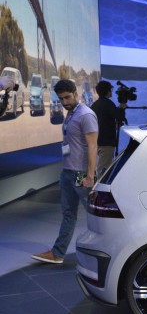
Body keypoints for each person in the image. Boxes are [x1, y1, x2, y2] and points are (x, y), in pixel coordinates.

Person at [32, 80, 98, 264]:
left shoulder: (86, 115)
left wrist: (90, 175)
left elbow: (93, 146)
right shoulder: (71, 114)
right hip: (67, 171)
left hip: (80, 173)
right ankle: (58, 253)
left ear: (75, 93)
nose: (65, 102)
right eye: (61, 99)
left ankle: (112, 249)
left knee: (95, 215)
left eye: (68, 97)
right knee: (69, 214)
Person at [90, 81, 126, 176]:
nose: (111, 92)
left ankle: (89, 187)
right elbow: (119, 116)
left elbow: (103, 120)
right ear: (107, 91)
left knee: (99, 167)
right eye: (110, 90)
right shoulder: (108, 104)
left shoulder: (94, 105)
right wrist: (122, 108)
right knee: (103, 169)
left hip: (96, 141)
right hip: (106, 142)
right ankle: (100, 189)